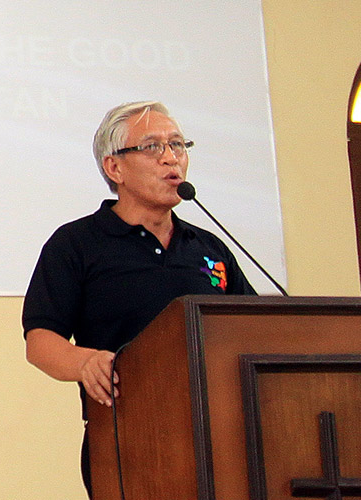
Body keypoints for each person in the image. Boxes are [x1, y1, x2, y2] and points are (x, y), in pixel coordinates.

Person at [22, 101, 256, 498]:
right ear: (115, 168)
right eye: (152, 147)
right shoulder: (76, 244)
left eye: (178, 145)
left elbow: (252, 330)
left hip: (220, 438)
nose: (171, 158)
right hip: (126, 437)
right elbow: (40, 341)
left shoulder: (208, 246)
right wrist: (85, 362)